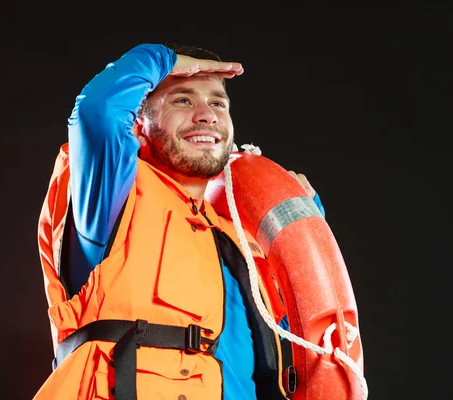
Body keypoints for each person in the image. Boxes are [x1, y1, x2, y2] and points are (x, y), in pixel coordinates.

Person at [35, 43, 327, 400]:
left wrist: (306, 230)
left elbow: (287, 354)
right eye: (183, 101)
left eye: (218, 103)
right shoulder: (111, 199)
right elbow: (99, 111)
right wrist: (161, 60)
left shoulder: (238, 244)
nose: (206, 115)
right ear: (140, 125)